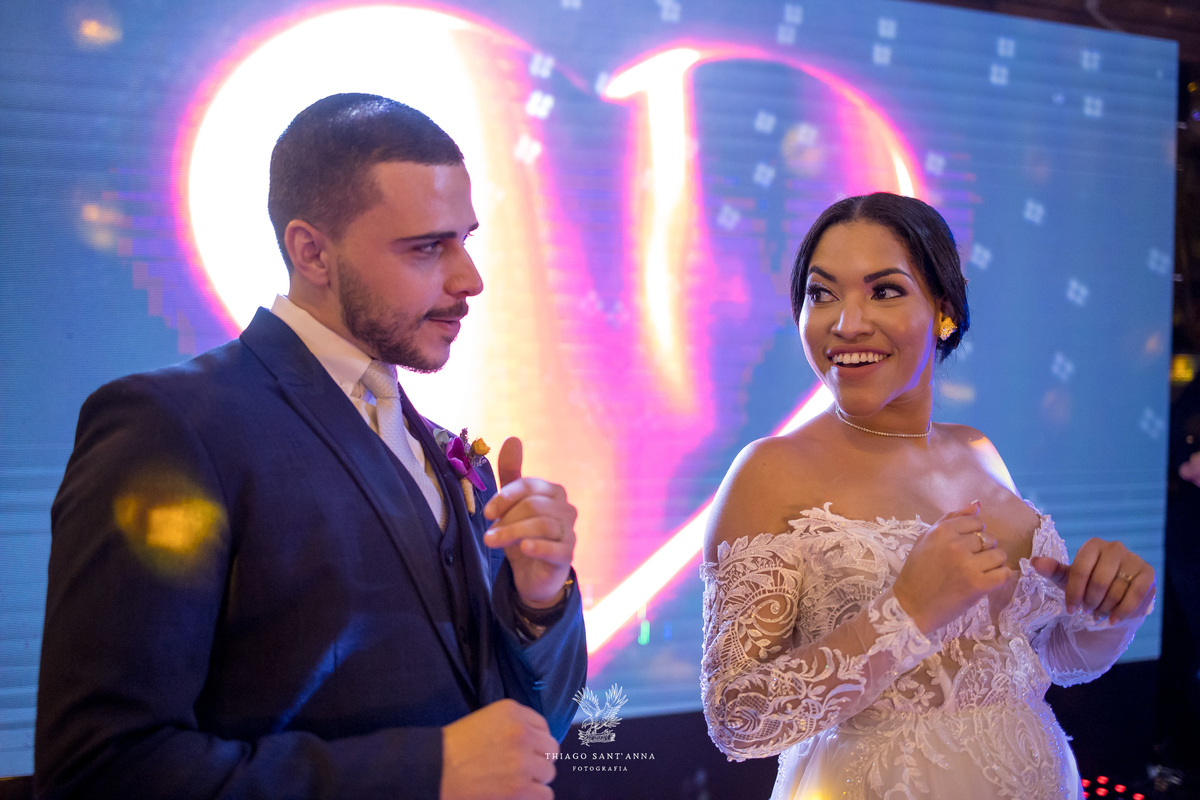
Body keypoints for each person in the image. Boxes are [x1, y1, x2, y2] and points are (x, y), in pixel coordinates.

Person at [35, 93, 587, 800]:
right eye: (427, 247)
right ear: (312, 252)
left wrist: (538, 599)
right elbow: (99, 771)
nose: (469, 280)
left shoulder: (451, 454)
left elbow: (532, 737)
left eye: (465, 240)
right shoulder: (169, 426)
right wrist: (425, 771)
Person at [700, 193, 1156, 799]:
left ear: (944, 309)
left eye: (884, 291)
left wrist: (1110, 610)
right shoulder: (770, 471)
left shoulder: (979, 452)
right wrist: (906, 612)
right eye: (822, 293)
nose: (846, 323)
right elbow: (738, 717)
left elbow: (1038, 660)